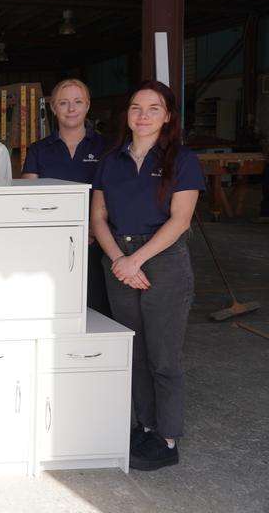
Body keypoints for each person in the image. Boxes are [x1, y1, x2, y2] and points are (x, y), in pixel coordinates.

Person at [89, 80, 205, 472]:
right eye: (136, 108)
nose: (143, 116)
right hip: (119, 259)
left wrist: (135, 260)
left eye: (154, 109)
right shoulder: (112, 160)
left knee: (163, 355)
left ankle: (168, 439)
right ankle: (147, 425)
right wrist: (120, 260)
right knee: (134, 351)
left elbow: (181, 220)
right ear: (127, 114)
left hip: (163, 260)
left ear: (167, 116)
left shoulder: (182, 159)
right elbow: (98, 217)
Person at [23, 78, 111, 317]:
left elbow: (114, 194)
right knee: (54, 307)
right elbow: (30, 201)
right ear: (53, 108)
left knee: (97, 309)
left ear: (87, 105)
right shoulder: (38, 150)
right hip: (51, 242)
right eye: (63, 103)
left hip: (97, 242)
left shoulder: (107, 148)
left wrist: (94, 228)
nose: (71, 109)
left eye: (77, 102)